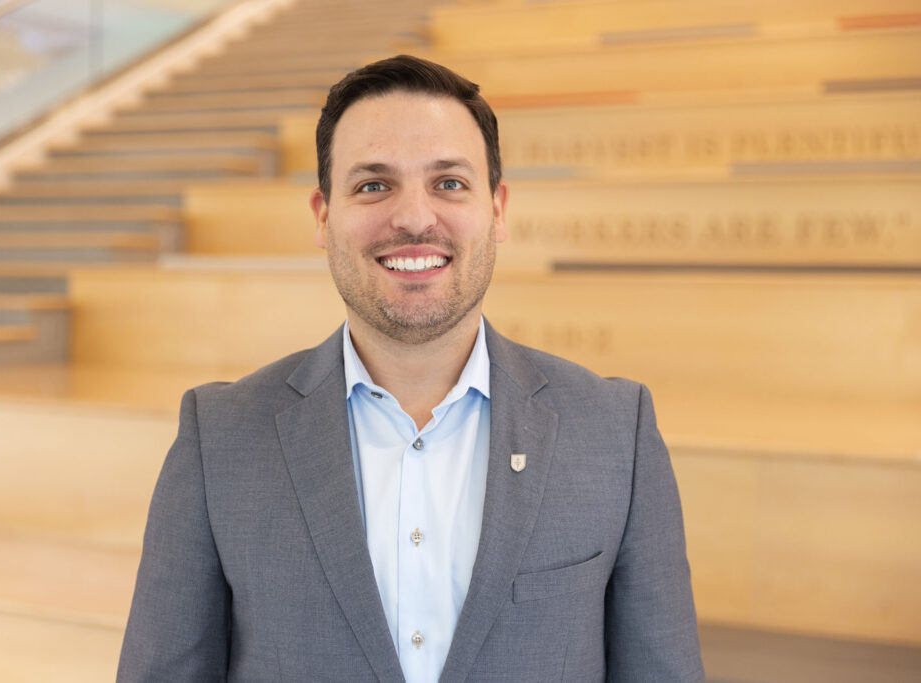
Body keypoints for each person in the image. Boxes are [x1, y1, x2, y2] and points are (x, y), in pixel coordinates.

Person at [118, 55, 704, 682]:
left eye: (448, 182)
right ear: (323, 215)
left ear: (498, 208)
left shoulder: (615, 433)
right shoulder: (219, 438)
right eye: (374, 185)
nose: (415, 218)